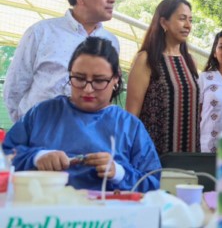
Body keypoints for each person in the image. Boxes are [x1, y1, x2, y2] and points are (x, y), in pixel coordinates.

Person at [3, 37, 160, 192]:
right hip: (45, 212)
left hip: (106, 215)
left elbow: (152, 182)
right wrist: (37, 157)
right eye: (79, 78)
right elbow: (5, 155)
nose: (87, 89)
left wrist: (119, 173)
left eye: (99, 81)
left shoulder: (129, 127)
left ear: (116, 80)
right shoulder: (41, 114)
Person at [3, 0, 119, 122]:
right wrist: (28, 128)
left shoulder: (111, 42)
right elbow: (14, 89)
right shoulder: (41, 33)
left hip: (84, 139)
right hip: (39, 136)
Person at [126, 0, 200, 154]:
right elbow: (131, 116)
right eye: (182, 19)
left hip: (190, 155)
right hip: (154, 155)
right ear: (163, 22)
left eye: (190, 20)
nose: (188, 25)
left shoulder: (189, 61)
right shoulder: (146, 59)